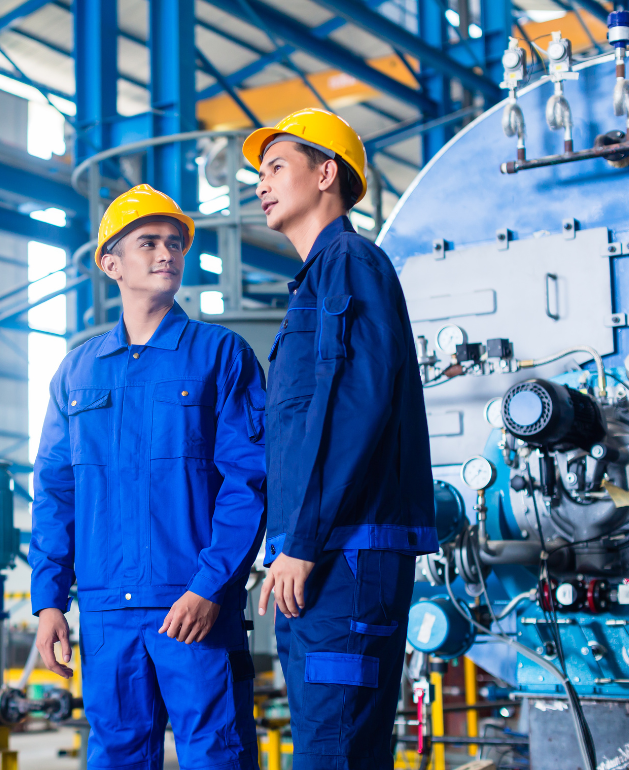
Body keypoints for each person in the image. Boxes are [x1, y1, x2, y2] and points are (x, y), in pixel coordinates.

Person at [29, 184, 266, 770]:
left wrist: (211, 587)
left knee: (217, 755)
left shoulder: (220, 355)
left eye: (176, 243)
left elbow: (250, 480)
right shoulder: (77, 372)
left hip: (192, 607)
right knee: (116, 756)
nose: (168, 253)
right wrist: (48, 601)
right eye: (149, 242)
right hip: (108, 613)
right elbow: (56, 493)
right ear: (111, 263)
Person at [243, 109, 438, 769]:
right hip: (328, 557)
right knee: (333, 746)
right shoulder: (320, 276)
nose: (261, 185)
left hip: (343, 556)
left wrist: (302, 541)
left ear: (326, 173)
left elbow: (355, 406)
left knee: (333, 753)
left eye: (276, 167)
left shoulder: (349, 262)